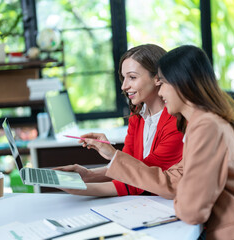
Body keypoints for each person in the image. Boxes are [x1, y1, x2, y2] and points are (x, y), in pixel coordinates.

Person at [75, 45, 234, 239]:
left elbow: (191, 209)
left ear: (181, 84)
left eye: (163, 83)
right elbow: (173, 181)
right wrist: (89, 177)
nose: (160, 91)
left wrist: (182, 195)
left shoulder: (205, 128)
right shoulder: (204, 123)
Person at [55, 44, 183, 197]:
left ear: (157, 78)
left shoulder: (176, 121)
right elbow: (129, 165)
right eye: (124, 78)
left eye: (133, 77)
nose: (124, 86)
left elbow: (144, 177)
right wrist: (88, 175)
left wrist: (83, 188)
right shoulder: (137, 113)